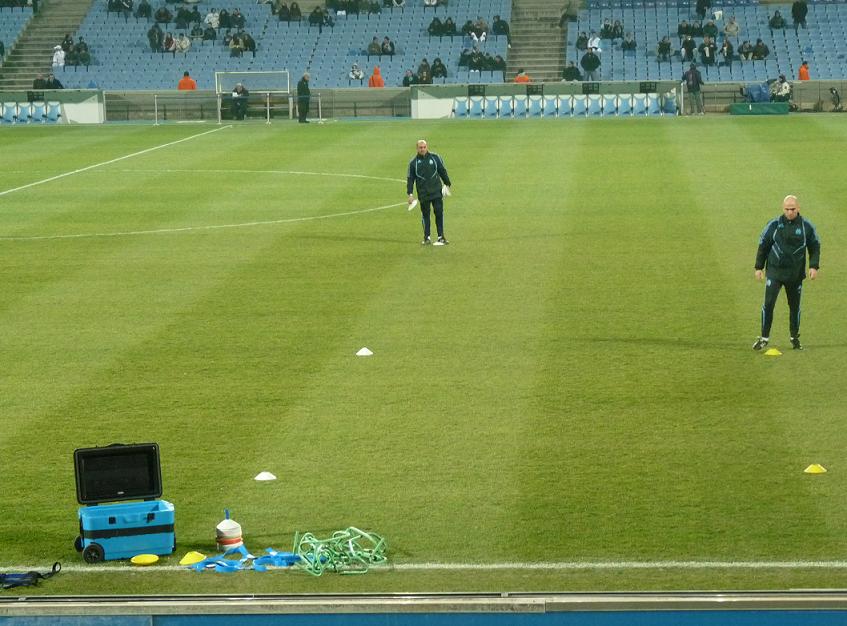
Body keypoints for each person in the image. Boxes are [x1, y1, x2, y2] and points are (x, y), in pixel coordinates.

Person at [752, 195, 820, 351]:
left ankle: (794, 338)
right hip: (775, 273)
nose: (790, 212)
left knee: (794, 307)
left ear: (798, 208)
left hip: (795, 275)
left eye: (793, 209)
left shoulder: (806, 226)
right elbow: (763, 245)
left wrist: (814, 266)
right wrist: (758, 268)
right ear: (783, 209)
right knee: (768, 305)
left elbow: (815, 246)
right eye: (787, 209)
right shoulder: (774, 225)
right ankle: (764, 338)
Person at [407, 139, 451, 246]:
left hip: (436, 191)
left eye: (424, 147)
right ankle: (427, 237)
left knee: (439, 213)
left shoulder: (435, 158)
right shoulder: (413, 163)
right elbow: (410, 179)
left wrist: (447, 184)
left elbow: (442, 171)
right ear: (417, 148)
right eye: (420, 147)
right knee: (425, 215)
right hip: (423, 193)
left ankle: (441, 237)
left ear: (427, 147)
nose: (422, 149)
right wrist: (410, 194)